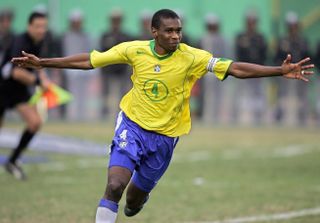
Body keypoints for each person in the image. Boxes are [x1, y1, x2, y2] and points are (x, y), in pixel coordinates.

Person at [11, 9, 314, 223]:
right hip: (132, 125)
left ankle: (136, 202)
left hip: (165, 138)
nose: (175, 36)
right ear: (153, 32)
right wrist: (44, 63)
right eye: (169, 31)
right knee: (115, 184)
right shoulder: (134, 50)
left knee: (133, 201)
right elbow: (91, 60)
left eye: (178, 30)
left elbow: (235, 68)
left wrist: (278, 70)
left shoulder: (192, 57)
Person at [1, 12, 50, 180]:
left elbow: (38, 66)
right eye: (37, 26)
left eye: (44, 26)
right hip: (3, 87)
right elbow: (16, 72)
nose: (41, 30)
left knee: (35, 123)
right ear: (29, 26)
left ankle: (12, 161)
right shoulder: (21, 42)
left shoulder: (41, 41)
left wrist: (44, 80)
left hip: (18, 91)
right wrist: (38, 81)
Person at [274, 12, 311, 125]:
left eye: (294, 25)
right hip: (285, 74)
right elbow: (277, 58)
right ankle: (280, 118)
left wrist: (304, 72)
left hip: (300, 74)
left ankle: (302, 118)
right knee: (282, 97)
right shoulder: (282, 41)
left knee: (302, 97)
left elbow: (308, 58)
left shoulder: (303, 42)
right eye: (290, 26)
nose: (292, 28)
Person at [235, 10, 268, 124]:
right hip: (244, 71)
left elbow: (265, 55)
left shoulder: (260, 38)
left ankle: (258, 118)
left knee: (258, 96)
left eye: (253, 22)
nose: (251, 24)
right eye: (249, 21)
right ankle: (243, 119)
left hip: (258, 71)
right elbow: (237, 54)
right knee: (243, 96)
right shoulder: (240, 37)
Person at [99, 8, 132, 119]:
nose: (116, 22)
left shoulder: (126, 36)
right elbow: (101, 53)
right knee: (106, 94)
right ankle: (104, 114)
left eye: (118, 20)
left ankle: (121, 113)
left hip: (122, 70)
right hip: (108, 69)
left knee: (123, 93)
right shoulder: (105, 35)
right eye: (114, 20)